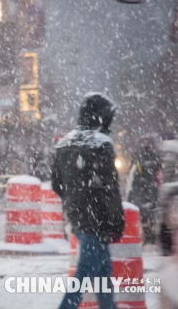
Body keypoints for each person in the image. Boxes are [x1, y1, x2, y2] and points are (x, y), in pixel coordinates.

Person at [52, 93, 125, 309]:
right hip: (98, 221)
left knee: (103, 276)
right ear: (100, 117)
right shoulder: (102, 144)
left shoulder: (64, 144)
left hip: (78, 219)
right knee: (83, 277)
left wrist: (75, 201)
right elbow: (110, 189)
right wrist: (116, 221)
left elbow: (56, 184)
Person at [126, 136, 162, 244]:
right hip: (150, 187)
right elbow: (159, 171)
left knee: (143, 211)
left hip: (140, 187)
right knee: (151, 209)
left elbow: (132, 173)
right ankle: (150, 232)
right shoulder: (155, 156)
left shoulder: (136, 156)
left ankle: (147, 233)